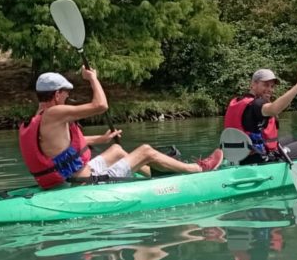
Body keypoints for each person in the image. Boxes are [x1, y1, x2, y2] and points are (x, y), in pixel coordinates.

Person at [20, 67, 223, 189]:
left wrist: (101, 139)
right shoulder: (56, 112)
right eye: (65, 93)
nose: (67, 97)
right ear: (56, 94)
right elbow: (101, 105)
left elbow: (59, 148)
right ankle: (196, 169)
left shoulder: (37, 117)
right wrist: (93, 78)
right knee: (145, 151)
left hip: (72, 176)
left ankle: (159, 173)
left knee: (117, 150)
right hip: (83, 181)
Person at [223, 66, 297, 164]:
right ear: (253, 84)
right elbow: (274, 109)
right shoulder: (256, 104)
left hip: (241, 157)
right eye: (265, 85)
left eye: (272, 86)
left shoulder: (238, 101)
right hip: (259, 159)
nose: (270, 89)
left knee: (291, 138)